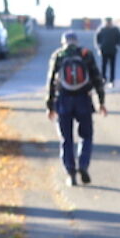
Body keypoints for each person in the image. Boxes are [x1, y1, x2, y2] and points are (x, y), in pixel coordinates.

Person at [45, 31, 107, 187]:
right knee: (86, 136)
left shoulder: (58, 56)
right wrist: (101, 102)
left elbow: (51, 81)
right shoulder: (86, 54)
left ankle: (71, 174)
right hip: (83, 99)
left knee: (66, 139)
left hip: (63, 100)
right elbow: (97, 78)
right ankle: (83, 165)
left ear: (63, 42)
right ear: (77, 42)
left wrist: (50, 105)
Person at [95, 17, 120, 88]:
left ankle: (111, 81)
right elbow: (97, 39)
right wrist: (98, 48)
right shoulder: (101, 29)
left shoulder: (115, 30)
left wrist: (118, 45)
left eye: (109, 22)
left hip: (112, 50)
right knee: (103, 66)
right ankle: (103, 79)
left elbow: (119, 38)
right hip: (104, 50)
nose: (108, 23)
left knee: (112, 66)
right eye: (107, 22)